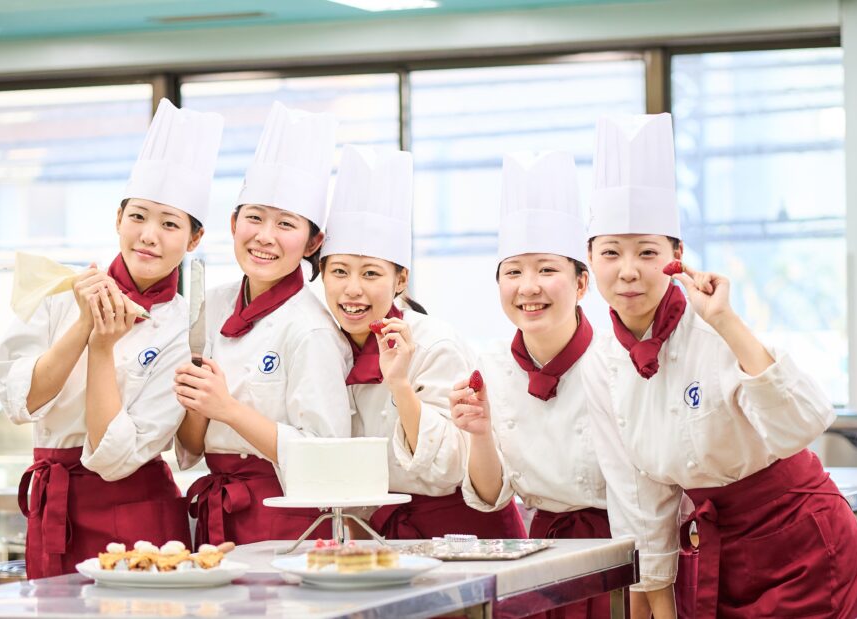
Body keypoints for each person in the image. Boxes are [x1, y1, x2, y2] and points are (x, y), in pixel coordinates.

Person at [582, 113, 857, 618]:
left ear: (676, 255)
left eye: (646, 252)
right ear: (589, 259)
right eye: (611, 253)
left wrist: (726, 321)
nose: (628, 271)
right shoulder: (601, 363)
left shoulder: (711, 325)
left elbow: (802, 423)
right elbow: (639, 500)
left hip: (803, 541)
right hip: (718, 556)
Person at [0, 99, 223, 577]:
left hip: (141, 515)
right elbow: (21, 401)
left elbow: (116, 458)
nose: (149, 236)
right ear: (118, 219)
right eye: (138, 216)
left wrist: (101, 348)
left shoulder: (187, 328)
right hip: (54, 506)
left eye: (170, 224)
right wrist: (84, 323)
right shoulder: (62, 290)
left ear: (194, 240)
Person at [319, 145, 526, 540]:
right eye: (340, 271)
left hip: (465, 534)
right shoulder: (324, 346)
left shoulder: (434, 344)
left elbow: (449, 465)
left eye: (371, 274)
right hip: (383, 536)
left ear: (400, 280)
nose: (353, 289)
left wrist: (399, 384)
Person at [174, 102, 353, 546]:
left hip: (287, 520)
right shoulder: (211, 305)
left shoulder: (311, 329)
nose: (265, 236)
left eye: (286, 224)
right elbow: (192, 446)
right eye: (254, 217)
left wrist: (227, 408)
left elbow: (326, 457)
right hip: (220, 514)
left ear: (313, 242)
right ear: (233, 223)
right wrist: (199, 403)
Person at [451, 151, 607, 618]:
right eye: (514, 271)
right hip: (541, 558)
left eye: (546, 269)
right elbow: (490, 495)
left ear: (582, 284)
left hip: (623, 551)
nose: (528, 287)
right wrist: (479, 433)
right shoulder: (490, 366)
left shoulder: (615, 362)